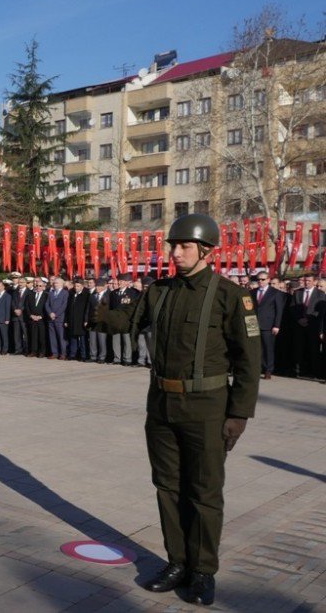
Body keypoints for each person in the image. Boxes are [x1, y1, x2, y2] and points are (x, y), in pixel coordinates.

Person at [128, 214, 260, 606]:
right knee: (167, 486)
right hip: (162, 405)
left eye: (183, 246)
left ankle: (203, 571)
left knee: (204, 492)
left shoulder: (231, 296)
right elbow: (128, 321)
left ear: (205, 250)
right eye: (173, 245)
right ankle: (177, 562)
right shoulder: (160, 291)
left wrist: (238, 415)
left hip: (207, 408)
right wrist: (99, 315)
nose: (175, 252)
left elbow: (249, 362)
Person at [251, 271, 284, 380]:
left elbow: (279, 311)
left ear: (268, 280)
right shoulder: (252, 292)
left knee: (268, 348)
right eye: (258, 279)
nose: (260, 281)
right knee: (256, 348)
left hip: (268, 325)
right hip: (254, 325)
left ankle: (268, 370)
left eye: (263, 279)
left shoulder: (275, 293)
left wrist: (277, 325)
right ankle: (257, 369)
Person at [110, 273, 140, 365]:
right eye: (119, 281)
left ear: (127, 282)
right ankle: (117, 358)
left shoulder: (133, 293)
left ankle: (127, 359)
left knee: (126, 340)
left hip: (126, 321)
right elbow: (111, 308)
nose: (119, 283)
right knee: (116, 340)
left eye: (122, 281)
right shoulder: (113, 293)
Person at [65, 278, 91, 361]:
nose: (76, 288)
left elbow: (87, 309)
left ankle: (84, 355)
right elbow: (68, 308)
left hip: (81, 320)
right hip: (72, 319)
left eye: (78, 286)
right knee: (73, 338)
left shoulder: (87, 294)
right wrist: (66, 320)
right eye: (75, 286)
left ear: (82, 286)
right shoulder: (71, 293)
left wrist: (86, 320)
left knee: (83, 339)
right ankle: (72, 354)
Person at [45, 276, 69, 360]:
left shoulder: (65, 293)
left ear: (62, 284)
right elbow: (47, 304)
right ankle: (54, 353)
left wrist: (56, 314)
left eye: (57, 283)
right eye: (54, 283)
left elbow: (64, 305)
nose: (55, 284)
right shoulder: (51, 293)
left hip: (60, 318)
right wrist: (50, 313)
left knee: (61, 337)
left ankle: (63, 353)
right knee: (52, 337)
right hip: (51, 318)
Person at [25, 277, 48, 357]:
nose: (38, 287)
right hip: (32, 319)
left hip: (42, 319)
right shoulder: (30, 295)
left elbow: (47, 308)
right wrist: (31, 315)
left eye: (40, 286)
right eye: (37, 286)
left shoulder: (46, 295)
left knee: (42, 337)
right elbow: (27, 306)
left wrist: (41, 316)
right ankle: (33, 351)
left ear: (44, 287)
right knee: (33, 336)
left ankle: (42, 352)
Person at [88, 279, 109, 363]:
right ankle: (93, 356)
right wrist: (86, 320)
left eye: (99, 286)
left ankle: (102, 357)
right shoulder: (92, 296)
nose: (97, 288)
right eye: (96, 286)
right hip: (92, 321)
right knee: (92, 340)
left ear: (104, 287)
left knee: (102, 340)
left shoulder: (108, 295)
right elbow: (88, 309)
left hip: (102, 321)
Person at [11, 276, 32, 355]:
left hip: (24, 316)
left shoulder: (29, 292)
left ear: (26, 283)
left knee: (26, 334)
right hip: (15, 316)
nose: (20, 284)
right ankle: (18, 349)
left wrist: (21, 310)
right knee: (17, 334)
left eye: (22, 282)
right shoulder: (15, 292)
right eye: (19, 282)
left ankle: (27, 349)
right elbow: (12, 302)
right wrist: (15, 310)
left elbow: (27, 303)